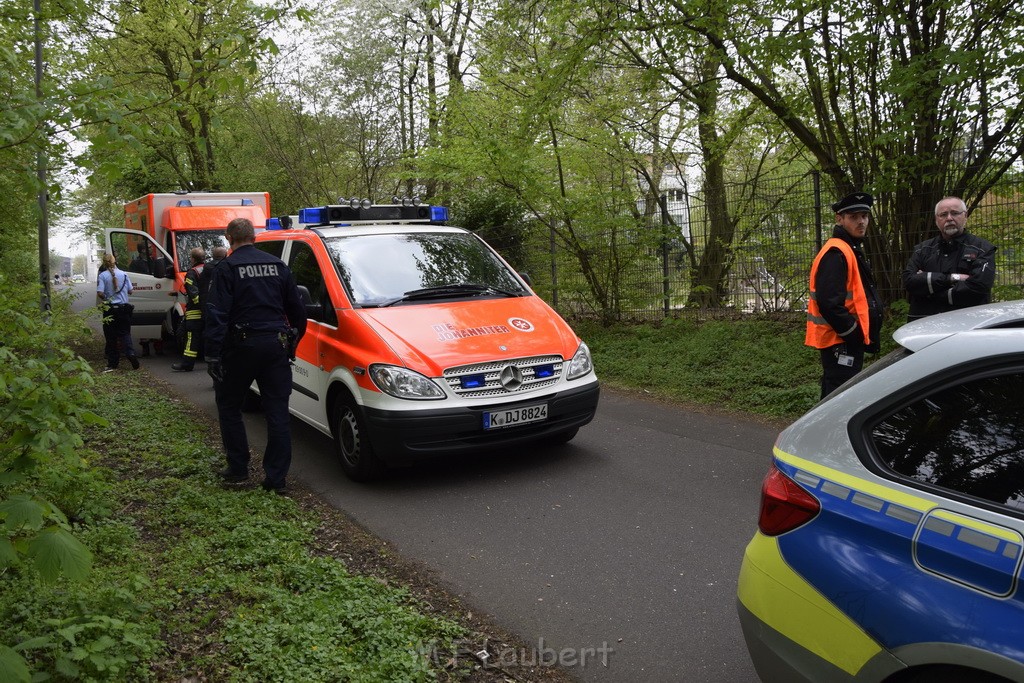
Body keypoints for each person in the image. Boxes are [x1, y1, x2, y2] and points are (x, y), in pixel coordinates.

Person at [205, 218, 307, 494]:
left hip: (240, 348)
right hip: (275, 346)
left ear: (229, 238)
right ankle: (276, 479)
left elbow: (217, 313)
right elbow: (297, 310)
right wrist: (293, 343)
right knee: (277, 413)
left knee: (229, 406)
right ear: (254, 236)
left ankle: (238, 468)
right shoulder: (277, 266)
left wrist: (212, 354)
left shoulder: (227, 268)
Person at [805, 192, 882, 399]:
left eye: (864, 216)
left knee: (836, 395)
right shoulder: (836, 252)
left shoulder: (848, 248)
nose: (861, 222)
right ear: (840, 218)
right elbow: (829, 303)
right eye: (854, 217)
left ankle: (821, 430)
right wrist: (853, 333)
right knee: (840, 397)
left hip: (843, 340)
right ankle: (826, 432)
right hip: (840, 341)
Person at [902, 196, 997, 321]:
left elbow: (978, 288)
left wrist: (929, 293)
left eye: (955, 213)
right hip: (924, 324)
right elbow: (909, 282)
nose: (949, 218)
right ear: (936, 219)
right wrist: (952, 278)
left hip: (967, 324)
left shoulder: (983, 249)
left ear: (965, 216)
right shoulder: (922, 250)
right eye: (943, 214)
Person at [96, 253, 141, 373]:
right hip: (123, 309)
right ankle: (130, 353)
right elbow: (131, 290)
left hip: (110, 310)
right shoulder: (124, 274)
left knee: (111, 337)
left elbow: (100, 293)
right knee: (125, 333)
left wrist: (107, 296)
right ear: (115, 261)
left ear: (104, 263)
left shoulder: (103, 276)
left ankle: (113, 363)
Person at [171, 247, 207, 372]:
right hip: (211, 312)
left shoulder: (192, 273)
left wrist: (200, 306)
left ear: (192, 259)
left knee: (192, 339)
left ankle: (187, 364)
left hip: (195, 313)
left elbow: (193, 293)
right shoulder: (210, 269)